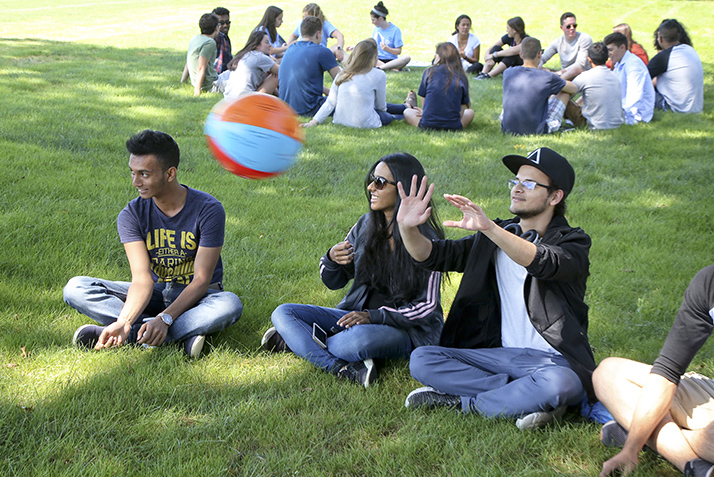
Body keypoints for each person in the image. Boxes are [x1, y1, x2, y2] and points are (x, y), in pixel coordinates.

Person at [398, 147, 595, 430]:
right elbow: (433, 255)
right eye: (515, 181)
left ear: (555, 196)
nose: (517, 189)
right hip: (499, 355)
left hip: (553, 362)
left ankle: (465, 404)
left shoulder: (573, 242)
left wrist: (490, 229)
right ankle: (526, 396)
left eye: (529, 184)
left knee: (561, 383)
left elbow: (543, 262)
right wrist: (408, 228)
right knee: (422, 359)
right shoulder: (497, 234)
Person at [262, 153, 445, 388]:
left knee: (356, 341)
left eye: (379, 182)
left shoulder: (427, 241)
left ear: (403, 190)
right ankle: (343, 368)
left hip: (404, 330)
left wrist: (373, 316)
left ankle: (299, 340)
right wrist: (331, 259)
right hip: (353, 316)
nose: (370, 187)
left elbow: (427, 308)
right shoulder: (366, 225)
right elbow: (332, 281)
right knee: (283, 313)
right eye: (372, 179)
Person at [63, 130, 243, 359]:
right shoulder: (131, 214)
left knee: (230, 304)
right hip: (155, 292)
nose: (135, 182)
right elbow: (141, 279)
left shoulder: (208, 209)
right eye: (133, 173)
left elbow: (201, 280)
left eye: (144, 174)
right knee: (76, 288)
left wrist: (165, 318)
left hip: (200, 297)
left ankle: (139, 334)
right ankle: (167, 336)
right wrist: (125, 320)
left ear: (170, 174)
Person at [594, 265, 714, 477]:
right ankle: (694, 465)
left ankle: (648, 435)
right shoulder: (709, 282)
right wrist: (630, 450)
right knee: (608, 373)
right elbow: (668, 370)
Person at [302, 39, 411, 129]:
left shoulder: (342, 74)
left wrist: (314, 122)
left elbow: (330, 103)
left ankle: (407, 107)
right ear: (374, 57)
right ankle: (408, 111)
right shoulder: (378, 74)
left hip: (340, 120)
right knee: (386, 116)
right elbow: (381, 107)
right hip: (365, 122)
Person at [501, 37, 577, 135]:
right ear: (540, 54)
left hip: (507, 127)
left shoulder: (508, 72)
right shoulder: (547, 77)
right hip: (536, 129)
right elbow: (573, 88)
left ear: (521, 54)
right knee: (564, 91)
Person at [278, 16, 341, 117]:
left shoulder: (290, 49)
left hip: (286, 108)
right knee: (348, 105)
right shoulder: (322, 51)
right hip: (309, 108)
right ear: (318, 34)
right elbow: (340, 80)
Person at [403, 42, 474, 131]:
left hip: (427, 125)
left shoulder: (429, 72)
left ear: (439, 56)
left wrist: (425, 113)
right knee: (470, 112)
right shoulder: (461, 76)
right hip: (453, 126)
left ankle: (414, 109)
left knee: (407, 111)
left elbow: (423, 97)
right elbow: (463, 107)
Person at [564, 42, 624, 130]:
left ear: (589, 60)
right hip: (616, 124)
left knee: (563, 94)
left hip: (592, 125)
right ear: (607, 58)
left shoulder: (585, 76)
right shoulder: (615, 76)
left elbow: (570, 92)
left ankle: (552, 122)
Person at [648, 19, 703, 114]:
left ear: (660, 38)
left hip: (673, 107)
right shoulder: (690, 50)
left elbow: (641, 78)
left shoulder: (664, 57)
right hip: (696, 108)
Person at [604, 32, 654, 125]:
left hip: (636, 115)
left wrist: (625, 117)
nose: (608, 54)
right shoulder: (620, 63)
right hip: (623, 109)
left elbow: (635, 95)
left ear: (622, 47)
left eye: (610, 50)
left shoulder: (633, 65)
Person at [223, 31, 279, 100]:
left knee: (269, 73)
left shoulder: (243, 54)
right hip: (245, 101)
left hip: (228, 100)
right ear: (257, 45)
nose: (270, 45)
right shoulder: (259, 57)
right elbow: (282, 71)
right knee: (276, 76)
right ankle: (283, 101)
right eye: (267, 42)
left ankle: (279, 99)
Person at [539, 12, 592, 81]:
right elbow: (543, 58)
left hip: (581, 74)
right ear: (561, 27)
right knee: (543, 70)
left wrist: (559, 73)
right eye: (568, 26)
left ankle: (557, 81)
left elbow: (580, 65)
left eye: (574, 25)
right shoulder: (557, 42)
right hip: (565, 75)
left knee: (575, 70)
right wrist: (538, 67)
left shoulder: (584, 38)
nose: (572, 28)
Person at [185, 13, 220, 96]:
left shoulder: (195, 38)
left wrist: (183, 80)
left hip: (199, 82)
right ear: (216, 28)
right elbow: (201, 67)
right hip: (211, 85)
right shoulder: (210, 43)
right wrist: (197, 92)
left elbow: (188, 61)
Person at [369, 1, 411, 71]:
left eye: (373, 20)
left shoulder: (395, 30)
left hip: (392, 60)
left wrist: (387, 49)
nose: (372, 22)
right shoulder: (376, 29)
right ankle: (390, 68)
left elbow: (398, 51)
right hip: (377, 59)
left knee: (407, 57)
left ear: (380, 18)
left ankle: (382, 67)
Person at [212, 7, 233, 74]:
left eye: (227, 22)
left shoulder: (225, 37)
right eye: (221, 23)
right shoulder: (217, 38)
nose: (225, 25)